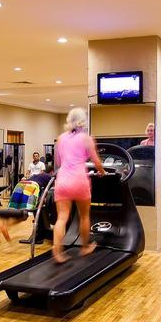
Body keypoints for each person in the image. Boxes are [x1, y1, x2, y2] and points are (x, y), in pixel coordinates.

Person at [52, 107, 105, 262]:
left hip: (63, 180)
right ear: (83, 121)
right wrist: (102, 171)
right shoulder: (87, 138)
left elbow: (58, 162)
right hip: (79, 180)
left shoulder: (61, 138)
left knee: (62, 217)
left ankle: (57, 250)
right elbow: (96, 162)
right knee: (84, 216)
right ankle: (84, 247)